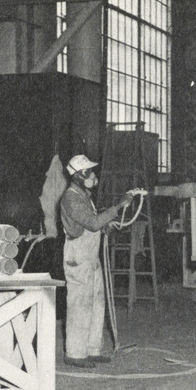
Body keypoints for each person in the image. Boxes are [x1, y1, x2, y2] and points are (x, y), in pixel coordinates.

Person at [58, 154, 137, 368]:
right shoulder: (71, 197)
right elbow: (92, 223)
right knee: (80, 304)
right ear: (77, 175)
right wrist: (119, 206)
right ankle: (74, 353)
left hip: (90, 256)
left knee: (96, 302)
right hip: (78, 255)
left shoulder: (83, 195)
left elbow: (93, 223)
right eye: (88, 172)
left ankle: (91, 349)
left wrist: (107, 224)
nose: (92, 175)